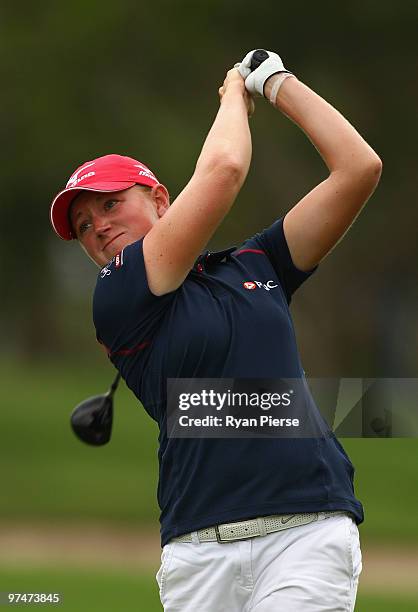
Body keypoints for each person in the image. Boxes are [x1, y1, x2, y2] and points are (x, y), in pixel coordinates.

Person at [50, 49, 382, 611]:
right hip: (198, 551)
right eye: (84, 225)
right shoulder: (117, 292)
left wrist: (276, 83)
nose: (98, 227)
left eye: (110, 204)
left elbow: (357, 169)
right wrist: (235, 90)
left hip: (305, 533)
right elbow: (225, 169)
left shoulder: (257, 264)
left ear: (159, 200)